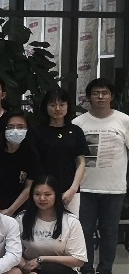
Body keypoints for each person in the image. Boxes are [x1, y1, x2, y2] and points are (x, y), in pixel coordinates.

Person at [73, 77, 129, 274]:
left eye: (104, 93)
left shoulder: (123, 120)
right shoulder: (78, 123)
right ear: (89, 97)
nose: (100, 97)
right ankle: (86, 271)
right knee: (84, 231)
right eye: (96, 93)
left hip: (113, 188)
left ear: (111, 96)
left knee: (109, 232)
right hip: (85, 187)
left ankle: (105, 272)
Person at [17, 176, 86, 274]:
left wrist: (42, 260)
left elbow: (78, 260)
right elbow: (13, 252)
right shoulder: (22, 219)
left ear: (57, 195)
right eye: (37, 194)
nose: (42, 198)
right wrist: (26, 269)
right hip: (29, 268)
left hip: (62, 270)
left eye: (47, 194)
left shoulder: (71, 221)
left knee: (51, 270)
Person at [31, 88, 87, 216]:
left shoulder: (76, 131)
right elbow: (32, 163)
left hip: (69, 190)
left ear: (68, 106)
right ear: (46, 107)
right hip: (42, 191)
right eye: (53, 105)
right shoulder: (36, 131)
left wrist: (73, 189)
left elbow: (81, 162)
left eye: (62, 105)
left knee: (70, 224)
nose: (57, 108)